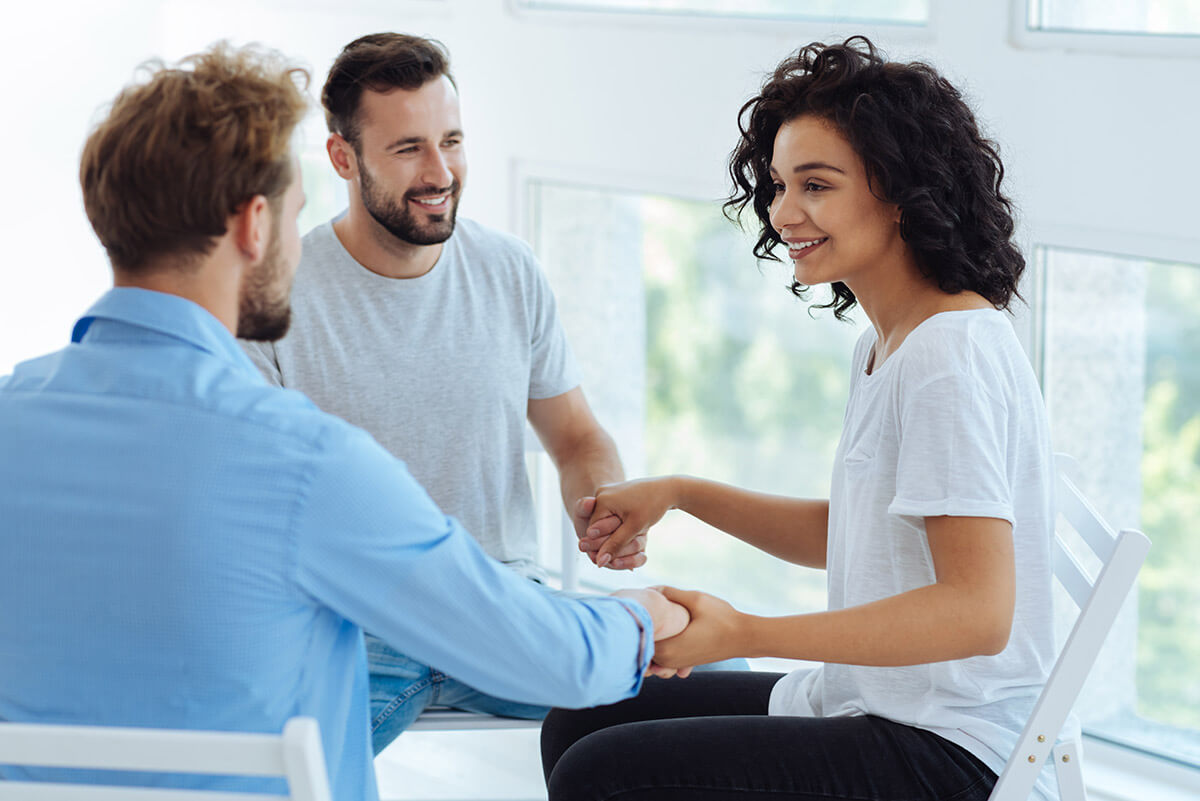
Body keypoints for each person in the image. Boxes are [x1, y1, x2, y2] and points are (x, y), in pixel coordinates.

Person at [0, 42, 690, 801]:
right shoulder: (300, 458)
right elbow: (554, 655)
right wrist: (640, 616)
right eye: (297, 215)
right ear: (254, 226)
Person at [545, 36, 1062, 801]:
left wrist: (748, 630)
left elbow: (977, 612)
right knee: (580, 718)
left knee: (604, 772)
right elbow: (856, 534)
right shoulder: (889, 341)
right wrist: (681, 491)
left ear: (899, 192)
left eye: (815, 185)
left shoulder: (948, 357)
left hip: (947, 752)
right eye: (780, 185)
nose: (784, 212)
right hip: (873, 703)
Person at [240, 31, 729, 754]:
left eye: (453, 140)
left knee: (720, 673)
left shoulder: (508, 269)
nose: (440, 171)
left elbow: (576, 438)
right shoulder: (274, 293)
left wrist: (601, 507)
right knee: (261, 764)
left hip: (503, 609)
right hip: (354, 623)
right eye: (408, 148)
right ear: (343, 158)